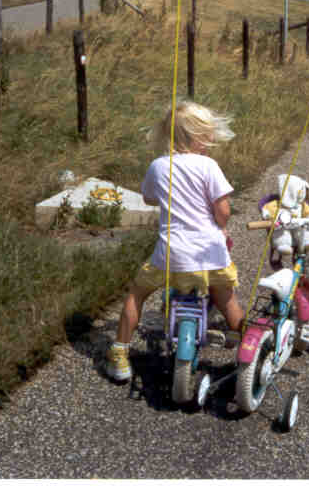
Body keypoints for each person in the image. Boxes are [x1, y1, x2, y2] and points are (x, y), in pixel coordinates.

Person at [105, 101, 245, 381]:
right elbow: (223, 212)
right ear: (196, 136)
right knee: (226, 298)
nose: (211, 139)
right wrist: (220, 226)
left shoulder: (158, 166)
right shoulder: (209, 166)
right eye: (208, 134)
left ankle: (120, 353)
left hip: (171, 254)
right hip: (210, 253)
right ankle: (246, 351)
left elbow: (149, 198)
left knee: (137, 294)